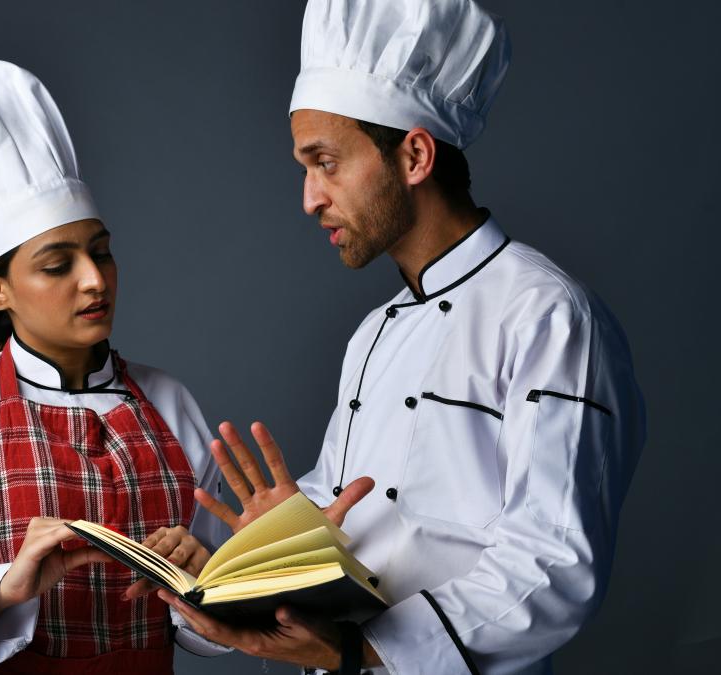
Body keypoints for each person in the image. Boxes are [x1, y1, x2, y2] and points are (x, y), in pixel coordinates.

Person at [161, 1, 646, 673]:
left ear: (414, 154)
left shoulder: (549, 316)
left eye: (326, 162)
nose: (309, 197)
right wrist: (260, 555)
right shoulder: (372, 335)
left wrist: (368, 650)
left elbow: (556, 562)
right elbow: (343, 514)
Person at [0, 60, 228, 673]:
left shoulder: (170, 401)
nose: (93, 280)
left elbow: (221, 625)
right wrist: (6, 587)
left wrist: (201, 581)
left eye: (101, 253)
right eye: (58, 265)